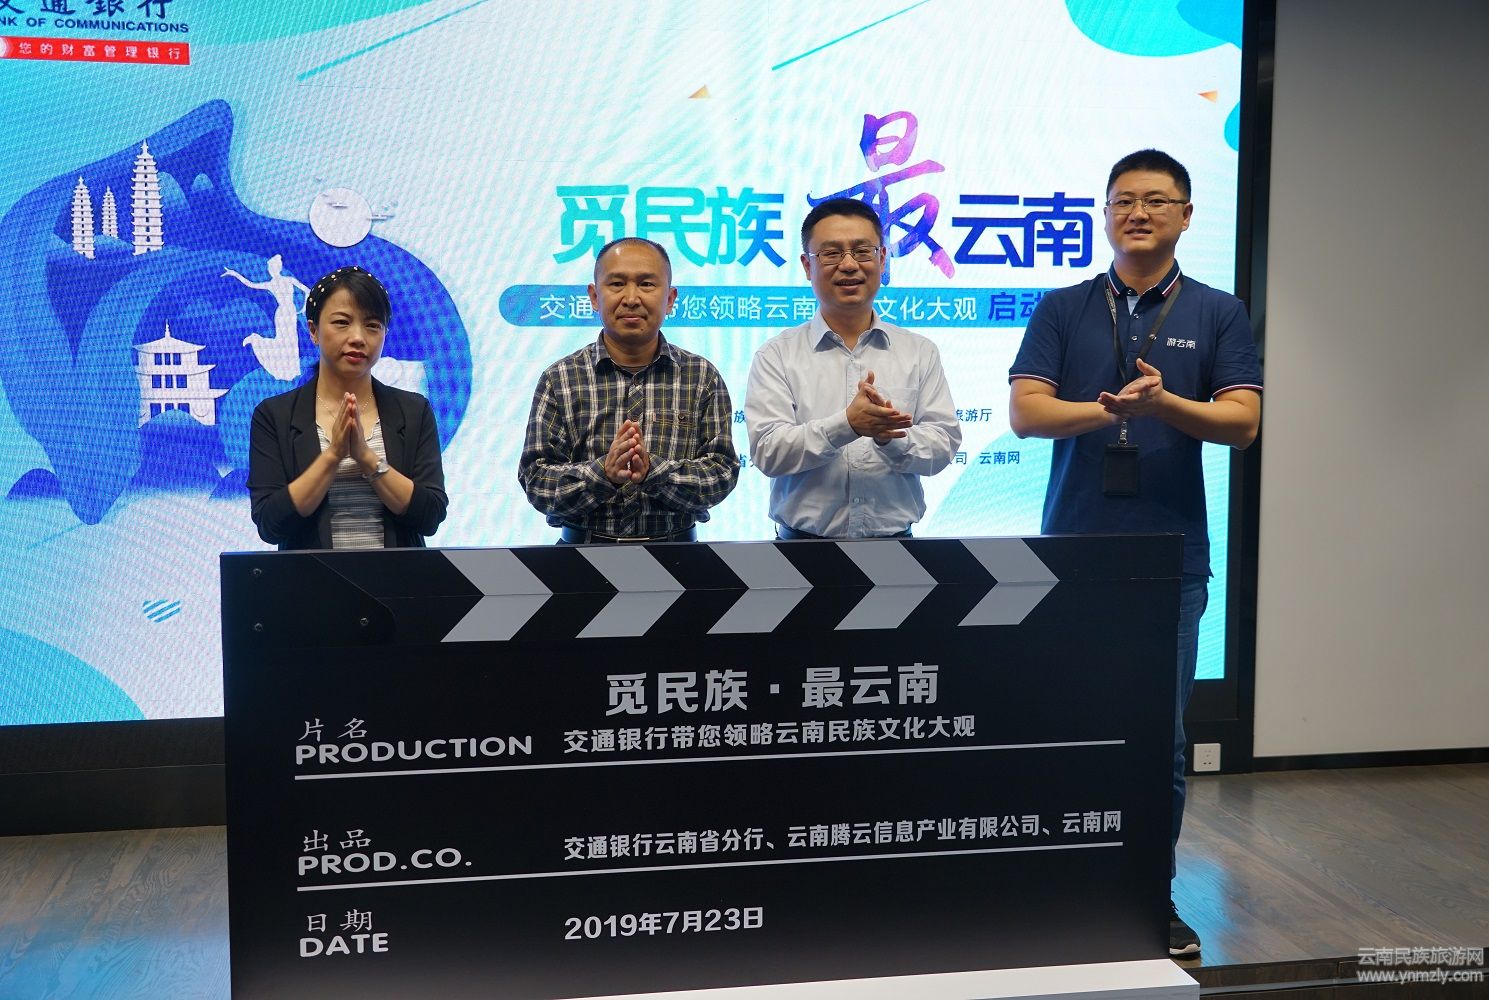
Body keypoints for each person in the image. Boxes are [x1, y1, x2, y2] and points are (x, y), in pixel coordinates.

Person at [1008, 150, 1263, 957]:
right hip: (1072, 556)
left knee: (1162, 741)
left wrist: (1166, 405)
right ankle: (1064, 890)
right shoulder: (1064, 307)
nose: (1139, 213)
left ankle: (1150, 895)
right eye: (1124, 200)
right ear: (1105, 214)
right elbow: (1026, 413)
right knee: (1068, 725)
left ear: (1186, 215)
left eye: (1156, 200)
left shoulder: (1218, 311)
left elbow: (1242, 423)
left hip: (1170, 560)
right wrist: (1111, 410)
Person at [744, 197, 960, 539]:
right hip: (799, 552)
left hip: (899, 551)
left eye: (862, 251)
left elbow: (943, 445)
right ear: (807, 265)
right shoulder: (776, 355)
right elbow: (768, 452)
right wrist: (846, 425)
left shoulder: (919, 352)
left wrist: (890, 437)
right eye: (831, 253)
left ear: (882, 259)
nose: (848, 265)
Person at [518, 237, 738, 543]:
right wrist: (602, 474)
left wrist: (654, 473)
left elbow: (722, 473)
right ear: (594, 296)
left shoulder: (701, 376)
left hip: (680, 556)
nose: (631, 298)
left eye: (646, 284)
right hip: (580, 555)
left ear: (670, 298)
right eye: (617, 284)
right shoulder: (560, 379)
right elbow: (536, 480)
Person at [249, 265, 448, 549]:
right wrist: (333, 456)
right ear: (313, 331)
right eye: (342, 322)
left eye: (372, 325)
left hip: (398, 577)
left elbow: (430, 515)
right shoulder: (274, 416)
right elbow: (270, 524)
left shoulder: (414, 411)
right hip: (310, 577)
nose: (358, 337)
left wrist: (366, 458)